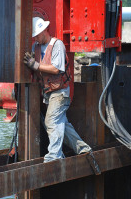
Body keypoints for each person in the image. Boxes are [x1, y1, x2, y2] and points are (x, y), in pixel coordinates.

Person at [24, 17, 101, 175]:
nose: (36, 37)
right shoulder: (35, 47)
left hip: (60, 92)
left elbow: (56, 69)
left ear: (45, 30)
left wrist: (35, 65)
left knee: (51, 121)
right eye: (35, 35)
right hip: (49, 93)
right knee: (62, 126)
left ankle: (54, 156)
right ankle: (83, 149)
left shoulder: (57, 45)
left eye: (38, 34)